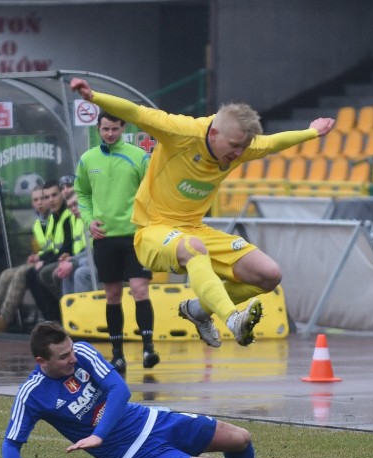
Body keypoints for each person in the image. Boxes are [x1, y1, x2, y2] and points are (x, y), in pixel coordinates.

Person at [70, 77, 334, 348]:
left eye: (243, 148)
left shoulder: (240, 146)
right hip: (152, 230)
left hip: (194, 229)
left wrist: (311, 132)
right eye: (234, 146)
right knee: (192, 247)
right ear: (214, 134)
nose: (239, 153)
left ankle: (198, 310)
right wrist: (94, 97)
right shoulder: (182, 132)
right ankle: (232, 319)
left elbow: (273, 142)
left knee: (268, 274)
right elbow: (137, 113)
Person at [1, 321, 355, 458]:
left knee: (240, 438)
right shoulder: (32, 394)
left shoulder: (82, 353)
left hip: (154, 421)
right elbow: (11, 444)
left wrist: (97, 434)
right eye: (63, 357)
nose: (72, 358)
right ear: (41, 361)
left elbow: (120, 391)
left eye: (71, 351)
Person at [75, 111, 157, 373]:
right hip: (105, 237)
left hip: (134, 235)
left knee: (139, 290)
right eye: (105, 129)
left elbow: (153, 191)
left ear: (123, 128)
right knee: (112, 296)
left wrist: (147, 223)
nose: (110, 134)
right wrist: (89, 221)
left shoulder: (138, 156)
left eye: (115, 129)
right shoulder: (88, 159)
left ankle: (148, 348)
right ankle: (117, 354)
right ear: (98, 129)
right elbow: (82, 194)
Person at [0, 183, 50, 333]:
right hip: (41, 259)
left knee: (21, 273)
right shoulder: (37, 223)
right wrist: (35, 256)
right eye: (35, 200)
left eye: (42, 198)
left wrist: (39, 256)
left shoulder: (53, 218)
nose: (39, 203)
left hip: (50, 260)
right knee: (7, 273)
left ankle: (4, 319)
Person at [25, 179, 73, 323]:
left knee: (43, 273)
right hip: (59, 258)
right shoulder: (53, 218)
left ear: (61, 195)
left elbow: (67, 247)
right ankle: (50, 319)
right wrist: (39, 257)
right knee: (31, 274)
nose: (50, 200)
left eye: (54, 195)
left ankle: (60, 316)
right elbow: (53, 248)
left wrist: (44, 260)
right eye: (47, 197)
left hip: (71, 257)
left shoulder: (67, 215)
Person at [57, 191, 94, 296]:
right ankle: (70, 310)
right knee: (66, 273)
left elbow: (99, 253)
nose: (73, 209)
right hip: (91, 261)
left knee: (80, 273)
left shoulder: (96, 219)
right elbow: (89, 251)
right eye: (70, 207)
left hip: (106, 264)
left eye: (76, 204)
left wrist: (74, 263)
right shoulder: (81, 222)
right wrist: (70, 260)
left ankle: (84, 311)